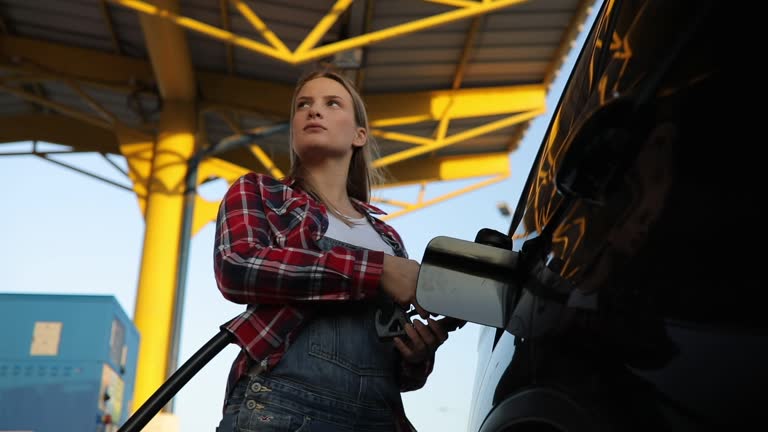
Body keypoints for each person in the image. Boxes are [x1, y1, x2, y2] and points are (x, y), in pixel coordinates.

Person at [213, 68, 449, 432]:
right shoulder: (260, 193)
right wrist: (377, 271)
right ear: (293, 131)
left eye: (331, 103)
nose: (313, 110)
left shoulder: (388, 238)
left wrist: (417, 356)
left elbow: (400, 373)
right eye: (303, 104)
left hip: (378, 418)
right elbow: (238, 266)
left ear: (359, 135)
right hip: (280, 407)